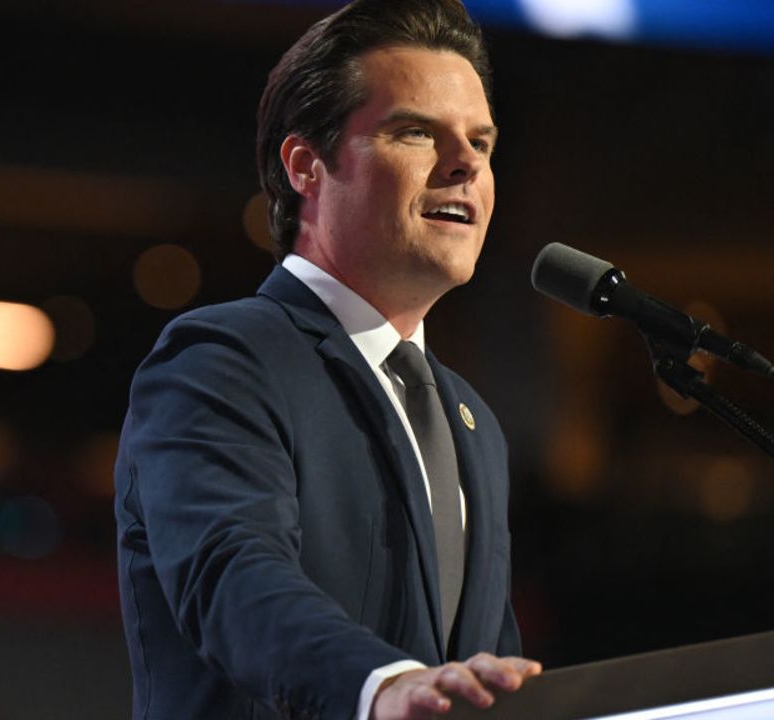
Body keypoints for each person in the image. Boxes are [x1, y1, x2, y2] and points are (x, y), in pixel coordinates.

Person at [114, 1, 540, 718]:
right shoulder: (224, 362)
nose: (465, 163)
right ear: (306, 167)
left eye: (481, 142)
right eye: (415, 133)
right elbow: (233, 575)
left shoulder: (473, 424)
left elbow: (479, 673)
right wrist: (381, 683)